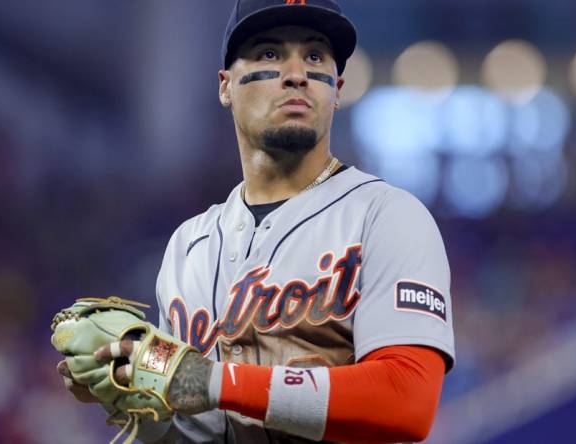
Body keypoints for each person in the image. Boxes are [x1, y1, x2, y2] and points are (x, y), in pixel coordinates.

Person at [59, 1, 455, 442]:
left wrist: (214, 382)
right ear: (225, 86)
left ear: (337, 88)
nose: (296, 73)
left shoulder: (386, 215)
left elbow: (406, 401)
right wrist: (141, 404)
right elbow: (196, 424)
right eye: (269, 54)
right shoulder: (188, 246)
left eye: (315, 56)